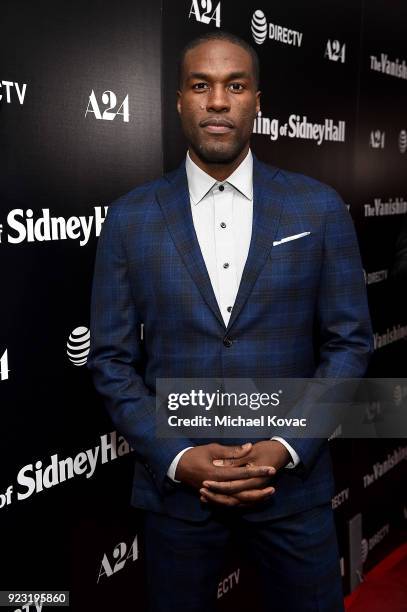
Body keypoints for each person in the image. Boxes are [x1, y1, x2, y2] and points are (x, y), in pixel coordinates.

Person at [88, 31, 373, 612]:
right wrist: (173, 456)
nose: (217, 101)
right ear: (179, 101)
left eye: (235, 85)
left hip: (291, 491)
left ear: (257, 101)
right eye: (201, 85)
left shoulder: (317, 208)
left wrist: (287, 446)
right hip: (178, 498)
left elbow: (349, 344)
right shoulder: (130, 218)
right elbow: (112, 360)